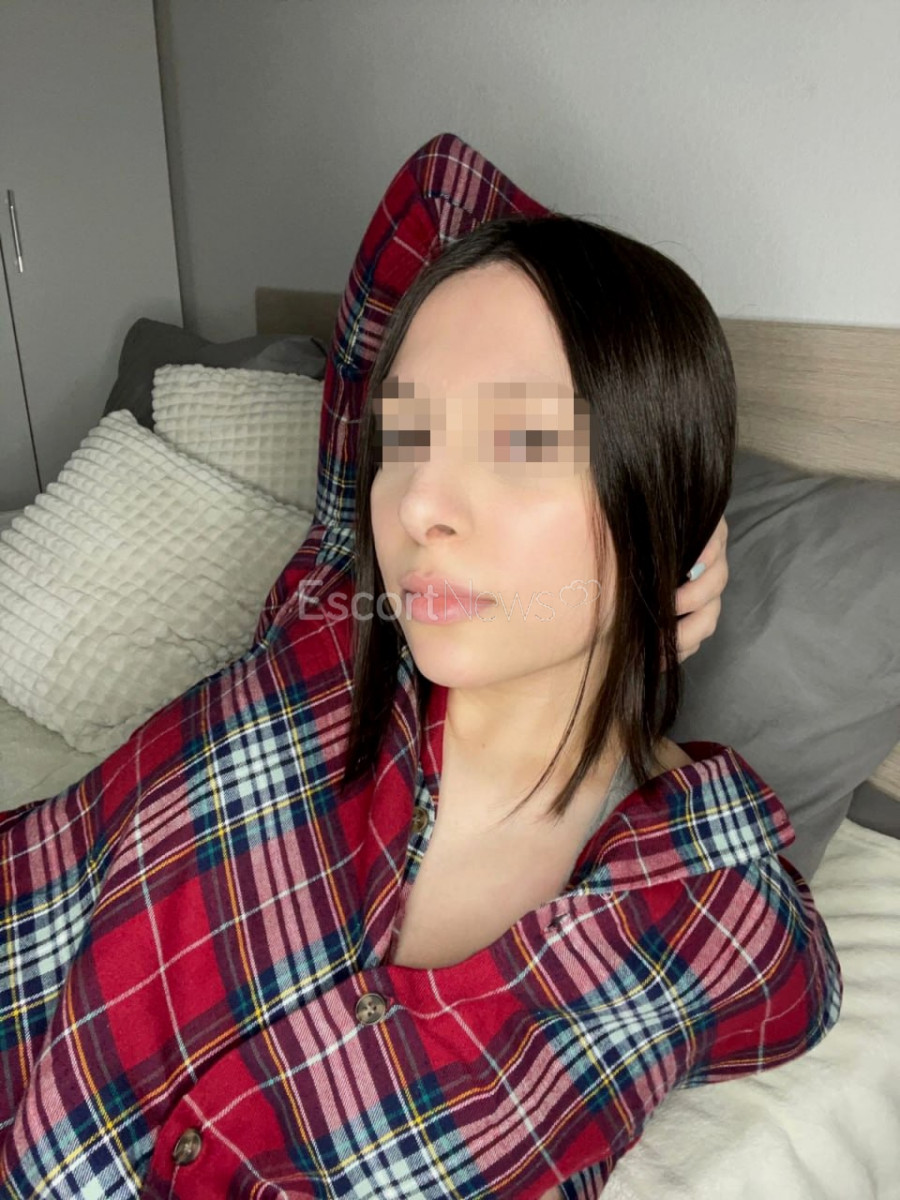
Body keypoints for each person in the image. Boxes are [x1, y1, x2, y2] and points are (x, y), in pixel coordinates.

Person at [0, 134, 840, 1200]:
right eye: (403, 437)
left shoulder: (704, 907)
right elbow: (437, 190)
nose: (420, 505)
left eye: (520, 441)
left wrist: (673, 528)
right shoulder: (331, 628)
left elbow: (801, 994)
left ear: (657, 486)